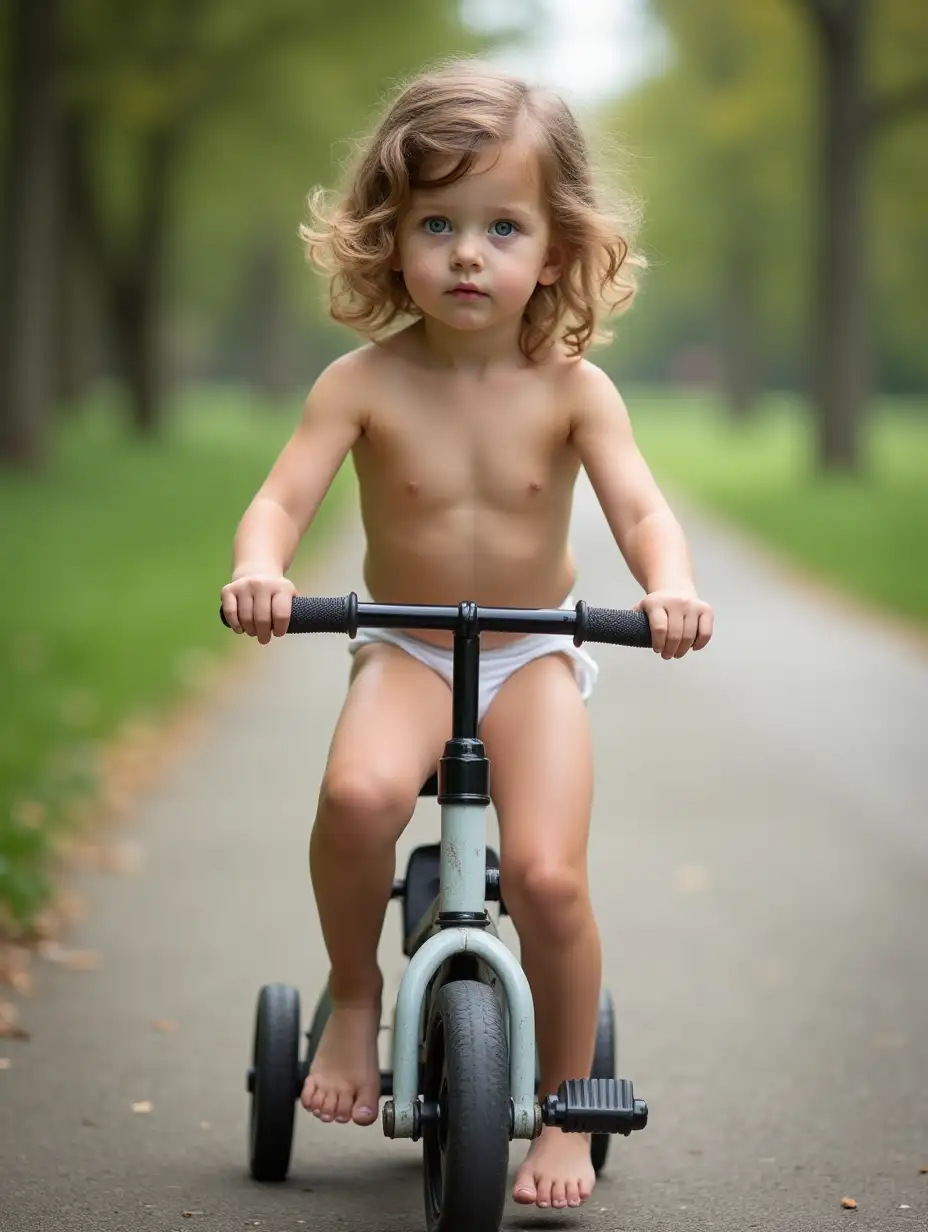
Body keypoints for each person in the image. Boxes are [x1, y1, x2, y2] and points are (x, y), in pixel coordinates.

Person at [220, 59, 713, 1212]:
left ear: (555, 244)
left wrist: (670, 584)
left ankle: (564, 1105)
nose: (466, 252)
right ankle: (353, 997)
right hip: (404, 646)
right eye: (436, 223)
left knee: (546, 876)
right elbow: (280, 498)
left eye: (502, 225)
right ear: (389, 238)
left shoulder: (573, 388)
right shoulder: (362, 382)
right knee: (354, 800)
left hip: (533, 650)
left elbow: (640, 507)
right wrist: (260, 566)